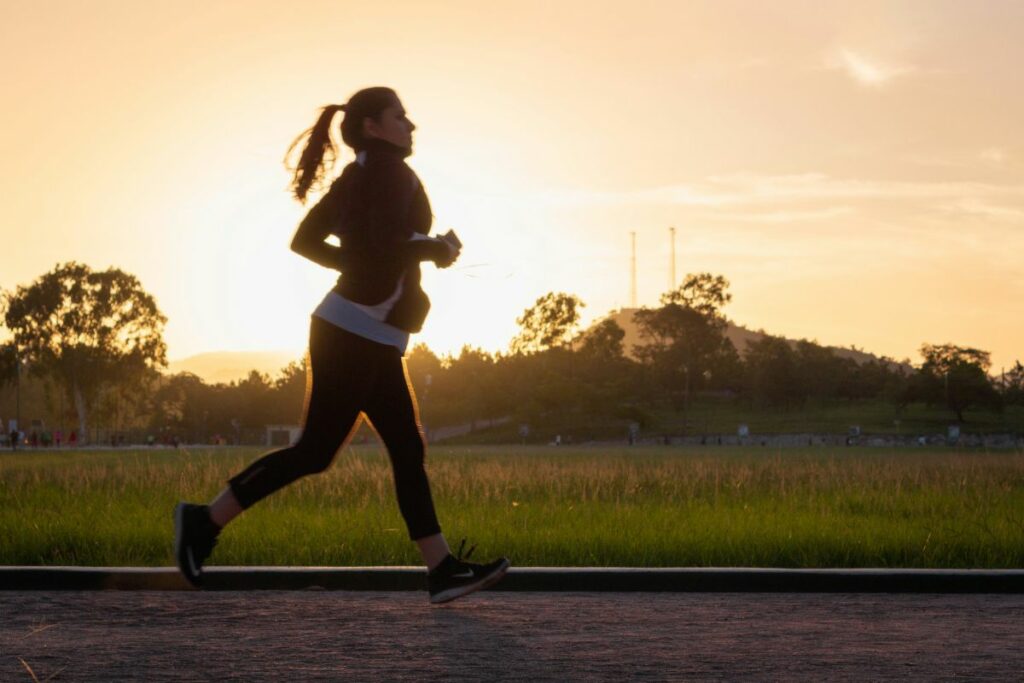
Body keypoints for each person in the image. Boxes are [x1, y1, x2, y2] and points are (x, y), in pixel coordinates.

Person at [174, 87, 509, 604]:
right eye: (401, 116)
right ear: (373, 126)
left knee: (404, 447)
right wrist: (436, 248)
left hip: (363, 330)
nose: (411, 125)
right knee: (317, 451)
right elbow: (381, 244)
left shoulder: (359, 175)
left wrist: (364, 267)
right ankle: (202, 520)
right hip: (353, 331)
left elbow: (308, 241)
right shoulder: (388, 174)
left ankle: (441, 569)